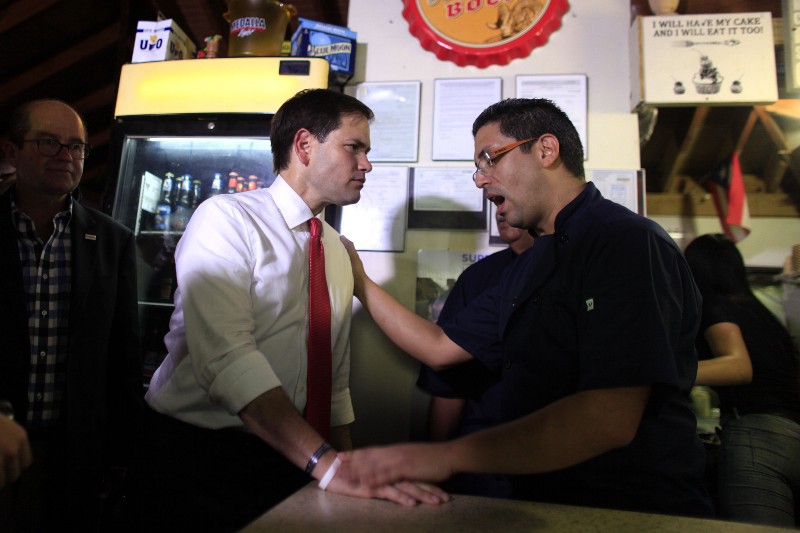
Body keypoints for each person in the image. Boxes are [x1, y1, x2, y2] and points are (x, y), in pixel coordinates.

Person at [338, 97, 713, 517]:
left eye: (489, 160)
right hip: (545, 500)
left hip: (631, 508)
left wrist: (445, 457)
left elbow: (608, 417)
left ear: (546, 150)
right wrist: (358, 280)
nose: (480, 181)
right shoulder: (531, 262)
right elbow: (441, 346)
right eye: (477, 168)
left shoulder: (625, 242)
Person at [130, 88, 445, 533]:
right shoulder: (226, 219)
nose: (367, 165)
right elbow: (227, 360)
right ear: (303, 146)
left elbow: (334, 381)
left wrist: (346, 465)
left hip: (292, 453)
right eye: (354, 147)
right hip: (200, 454)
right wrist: (329, 466)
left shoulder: (335, 249)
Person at [0, 99, 142, 531]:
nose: (66, 156)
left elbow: (123, 353)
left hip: (74, 451)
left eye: (76, 147)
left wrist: (122, 455)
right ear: (10, 152)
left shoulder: (112, 240)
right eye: (49, 143)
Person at [685, 233, 800, 527]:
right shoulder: (760, 311)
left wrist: (667, 371)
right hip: (791, 431)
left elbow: (738, 367)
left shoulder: (714, 305)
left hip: (757, 438)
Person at [416, 210, 534, 498]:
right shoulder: (479, 278)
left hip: (558, 456)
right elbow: (447, 384)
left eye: (506, 198)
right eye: (495, 201)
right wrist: (434, 464)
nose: (501, 211)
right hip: (482, 457)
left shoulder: (573, 268)